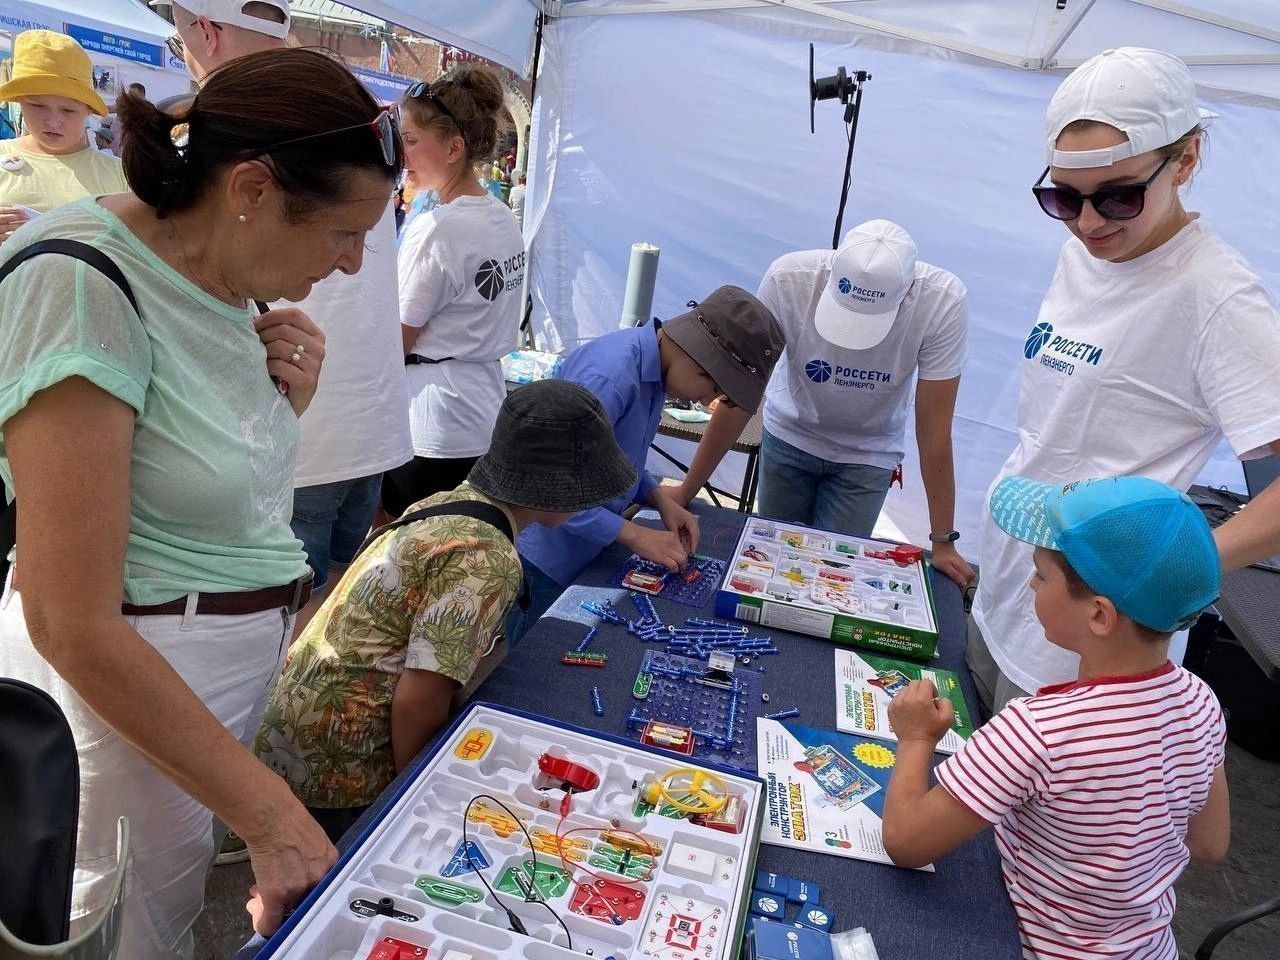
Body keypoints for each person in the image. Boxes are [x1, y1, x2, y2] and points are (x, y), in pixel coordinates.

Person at [0, 48, 401, 958]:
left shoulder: (228, 281)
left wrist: (274, 407)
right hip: (121, 706)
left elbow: (195, 482)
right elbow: (69, 620)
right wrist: (274, 816)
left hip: (193, 693)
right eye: (344, 233)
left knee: (163, 921)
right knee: (115, 938)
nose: (350, 266)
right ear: (252, 189)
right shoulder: (78, 284)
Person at [969, 47, 1280, 714]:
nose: (1088, 222)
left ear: (1187, 160)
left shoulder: (1216, 296)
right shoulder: (1082, 254)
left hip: (1091, 644)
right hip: (1009, 589)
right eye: (1062, 197)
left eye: (1119, 195)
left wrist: (1173, 565)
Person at [255, 379, 637, 841]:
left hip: (293, 723)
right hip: (340, 758)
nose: (595, 500)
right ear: (555, 489)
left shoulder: (447, 503)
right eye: (588, 488)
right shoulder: (488, 557)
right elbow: (420, 699)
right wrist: (419, 794)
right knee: (327, 871)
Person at [882, 474, 1229, 960]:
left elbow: (905, 841)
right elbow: (1210, 844)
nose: (1030, 583)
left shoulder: (1038, 730)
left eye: (1042, 575)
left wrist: (916, 739)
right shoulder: (1201, 701)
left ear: (1100, 616)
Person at [157, 0, 414, 649]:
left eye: (362, 236)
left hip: (305, 438)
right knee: (307, 618)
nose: (353, 264)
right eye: (343, 237)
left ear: (204, 33)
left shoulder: (322, 133)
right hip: (347, 429)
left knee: (302, 623)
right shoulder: (345, 119)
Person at [505, 286, 785, 645]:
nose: (706, 400)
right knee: (536, 661)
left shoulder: (654, 372)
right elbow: (547, 489)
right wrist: (636, 535)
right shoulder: (608, 380)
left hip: (589, 550)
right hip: (546, 561)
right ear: (698, 357)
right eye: (713, 387)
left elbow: (617, 458)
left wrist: (658, 497)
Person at [746, 220, 972, 586]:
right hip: (790, 435)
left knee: (831, 578)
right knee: (774, 568)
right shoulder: (790, 278)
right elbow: (743, 385)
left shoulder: (943, 300)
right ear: (831, 270)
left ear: (909, 289)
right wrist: (688, 489)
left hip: (867, 455)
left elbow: (934, 429)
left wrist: (942, 540)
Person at [382, 66, 524, 518]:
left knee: (407, 563)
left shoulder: (438, 229)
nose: (401, 154)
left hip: (432, 421)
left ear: (453, 148)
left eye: (410, 140)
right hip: (484, 414)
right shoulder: (502, 218)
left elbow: (396, 338)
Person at [0, 30, 127, 241]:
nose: (52, 121)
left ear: (88, 109)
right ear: (19, 101)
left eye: (68, 110)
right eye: (37, 105)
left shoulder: (120, 174)